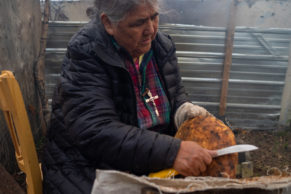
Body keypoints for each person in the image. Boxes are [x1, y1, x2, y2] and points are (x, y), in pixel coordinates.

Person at [42, 0, 216, 193]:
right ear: (108, 23)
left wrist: (183, 109)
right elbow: (96, 131)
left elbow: (174, 93)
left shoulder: (161, 46)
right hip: (90, 168)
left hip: (149, 159)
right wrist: (172, 151)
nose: (150, 30)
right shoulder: (86, 52)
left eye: (154, 17)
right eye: (138, 23)